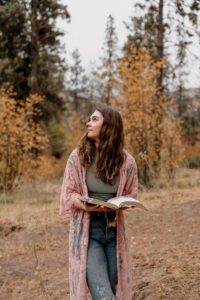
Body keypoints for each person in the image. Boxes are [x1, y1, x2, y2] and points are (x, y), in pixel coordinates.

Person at [59, 107, 138, 300]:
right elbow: (68, 194)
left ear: (109, 126)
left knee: (110, 290)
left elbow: (131, 193)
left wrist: (122, 203)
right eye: (89, 119)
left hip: (113, 231)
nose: (88, 123)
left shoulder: (127, 162)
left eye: (94, 119)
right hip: (89, 232)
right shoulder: (77, 157)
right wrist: (84, 204)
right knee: (103, 294)